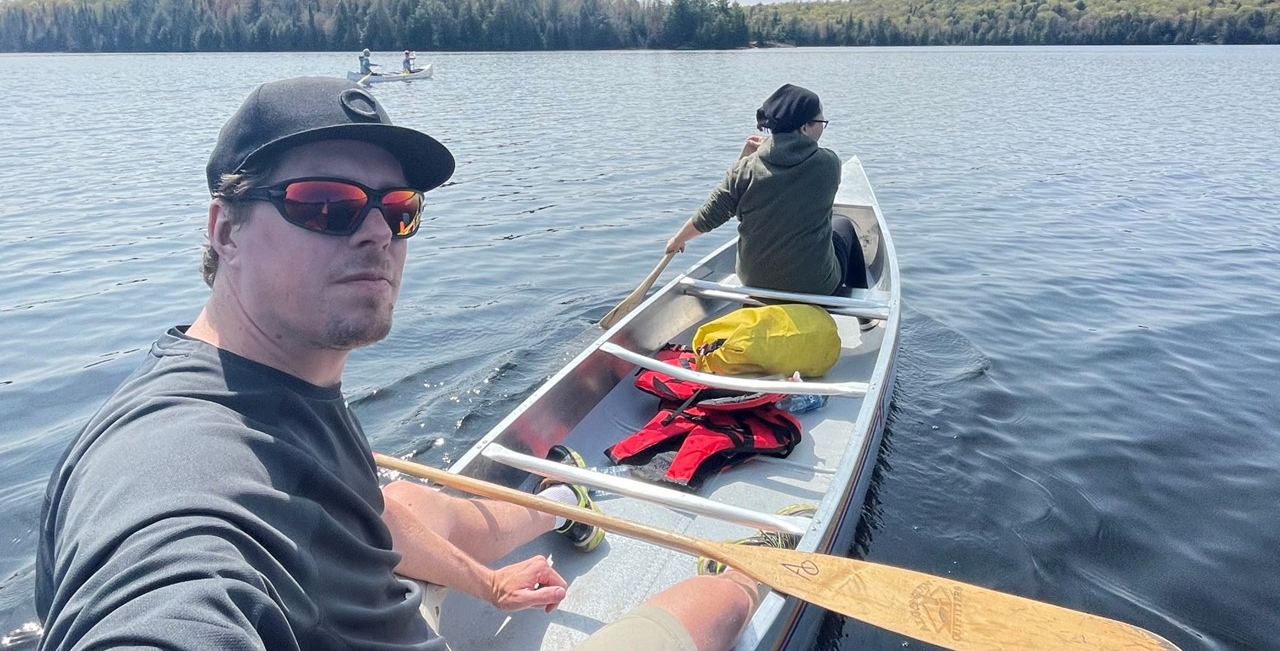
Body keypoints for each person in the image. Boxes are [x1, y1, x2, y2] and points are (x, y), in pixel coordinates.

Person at [35, 76, 765, 651]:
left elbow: (360, 510)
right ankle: (752, 566)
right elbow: (165, 590)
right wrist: (745, 580)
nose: (378, 233)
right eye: (325, 206)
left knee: (408, 504)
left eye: (400, 208)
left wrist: (485, 585)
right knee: (704, 607)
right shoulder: (177, 475)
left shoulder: (273, 384)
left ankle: (571, 500)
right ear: (225, 229)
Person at [666, 83, 869, 298]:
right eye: (821, 122)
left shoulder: (745, 168)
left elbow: (714, 212)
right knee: (843, 225)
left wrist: (677, 240)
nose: (822, 127)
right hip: (814, 285)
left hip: (754, 282)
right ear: (804, 128)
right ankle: (866, 318)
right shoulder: (828, 164)